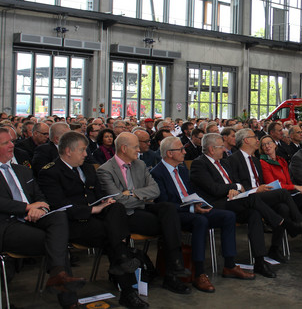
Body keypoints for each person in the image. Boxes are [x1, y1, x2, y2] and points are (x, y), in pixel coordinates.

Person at [37, 132, 147, 308]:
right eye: (82, 150)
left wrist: (105, 201)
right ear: (68, 151)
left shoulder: (87, 168)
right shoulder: (50, 172)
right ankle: (127, 286)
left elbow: (97, 194)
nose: (86, 154)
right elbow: (59, 206)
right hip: (73, 223)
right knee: (115, 237)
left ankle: (122, 264)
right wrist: (92, 209)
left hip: (97, 219)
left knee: (116, 208)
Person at [190, 133, 302, 278]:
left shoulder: (222, 162)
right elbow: (214, 189)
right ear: (211, 149)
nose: (224, 149)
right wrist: (235, 187)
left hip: (234, 200)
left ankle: (259, 261)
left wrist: (236, 187)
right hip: (216, 204)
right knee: (253, 199)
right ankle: (287, 224)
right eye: (221, 147)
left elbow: (237, 183)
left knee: (254, 213)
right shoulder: (200, 164)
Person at [151, 137, 255, 293]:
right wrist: (191, 208)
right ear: (169, 153)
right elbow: (164, 204)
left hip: (193, 207)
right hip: (176, 214)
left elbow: (191, 192)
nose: (184, 152)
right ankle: (199, 273)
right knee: (200, 221)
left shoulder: (181, 169)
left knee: (228, 216)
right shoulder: (157, 173)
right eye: (180, 149)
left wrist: (198, 204)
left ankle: (230, 265)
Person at [0, 128, 86, 309]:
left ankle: (58, 276)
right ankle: (69, 299)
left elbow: (41, 195)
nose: (12, 145)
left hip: (34, 217)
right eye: (5, 143)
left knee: (59, 217)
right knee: (56, 241)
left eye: (11, 141)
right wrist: (26, 207)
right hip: (8, 224)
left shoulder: (22, 170)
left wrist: (40, 207)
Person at [97, 132, 192, 295]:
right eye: (135, 147)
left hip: (142, 208)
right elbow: (119, 201)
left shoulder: (139, 165)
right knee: (169, 225)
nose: (140, 149)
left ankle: (175, 266)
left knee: (168, 209)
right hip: (125, 215)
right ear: (124, 148)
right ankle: (172, 274)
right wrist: (140, 196)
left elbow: (155, 191)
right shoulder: (105, 170)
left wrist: (131, 193)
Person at [257, 134, 302, 255]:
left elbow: (288, 181)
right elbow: (273, 185)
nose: (267, 146)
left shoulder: (281, 160)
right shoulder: (263, 162)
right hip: (277, 195)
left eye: (269, 143)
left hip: (289, 194)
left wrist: (297, 189)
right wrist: (295, 187)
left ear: (275, 144)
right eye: (263, 145)